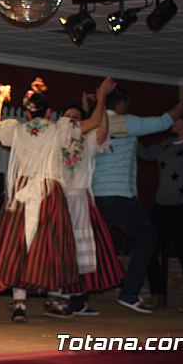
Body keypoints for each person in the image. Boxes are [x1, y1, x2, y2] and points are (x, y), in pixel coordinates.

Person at [0, 77, 113, 323]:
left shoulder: (18, 130)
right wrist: (102, 97)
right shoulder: (60, 129)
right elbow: (96, 122)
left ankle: (20, 303)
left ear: (26, 111)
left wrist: (0, 99)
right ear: (49, 111)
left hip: (22, 191)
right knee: (53, 244)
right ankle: (55, 299)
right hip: (49, 191)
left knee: (18, 245)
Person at [92, 85, 183, 313]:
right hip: (120, 196)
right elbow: (164, 121)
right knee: (147, 239)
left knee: (95, 249)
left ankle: (74, 299)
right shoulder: (126, 121)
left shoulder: (94, 124)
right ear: (121, 105)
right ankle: (129, 293)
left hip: (97, 196)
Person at [140, 83, 183, 313]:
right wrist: (123, 133)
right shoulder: (166, 144)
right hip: (162, 206)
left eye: (177, 120)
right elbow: (145, 153)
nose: (172, 123)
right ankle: (157, 293)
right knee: (148, 246)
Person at [59, 99, 124, 317]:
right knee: (58, 250)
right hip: (57, 200)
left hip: (79, 199)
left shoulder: (86, 140)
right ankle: (58, 299)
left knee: (80, 251)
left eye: (76, 118)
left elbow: (102, 133)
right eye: (67, 116)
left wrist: (101, 103)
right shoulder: (54, 138)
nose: (71, 121)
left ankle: (77, 301)